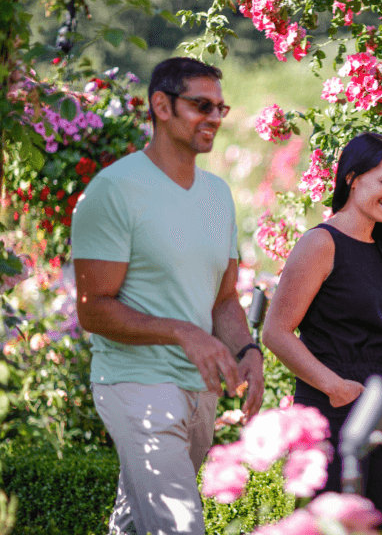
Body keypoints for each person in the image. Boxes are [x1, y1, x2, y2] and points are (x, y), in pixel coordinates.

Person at [71, 57, 264, 535]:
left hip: (199, 390)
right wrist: (182, 332)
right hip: (135, 384)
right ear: (161, 105)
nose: (215, 118)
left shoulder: (218, 195)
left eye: (221, 107)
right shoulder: (113, 191)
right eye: (202, 105)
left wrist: (247, 350)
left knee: (138, 519)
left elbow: (223, 300)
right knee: (179, 524)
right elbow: (94, 309)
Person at [262, 132, 382, 532]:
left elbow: (368, 331)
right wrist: (335, 386)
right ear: (352, 178)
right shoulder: (320, 244)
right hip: (334, 411)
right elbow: (276, 332)